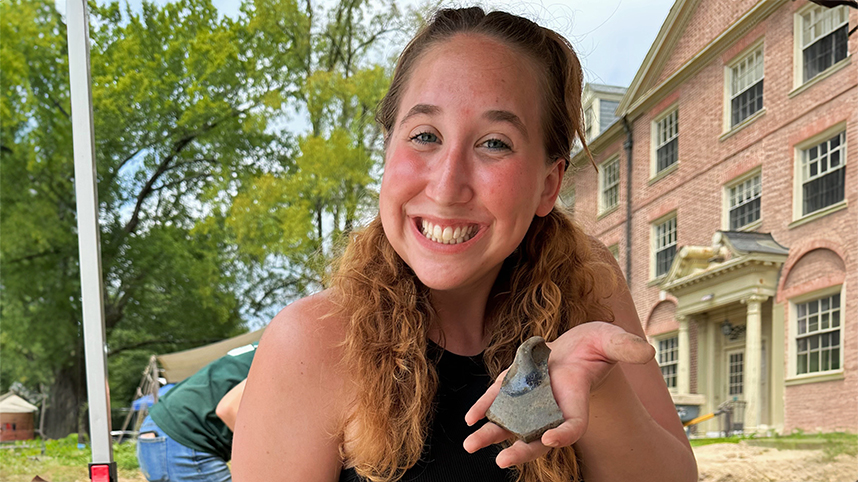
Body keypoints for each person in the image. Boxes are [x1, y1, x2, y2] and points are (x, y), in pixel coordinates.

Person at [232, 7, 698, 482]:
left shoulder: (589, 285)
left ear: (548, 184)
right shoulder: (311, 340)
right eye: (425, 136)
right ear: (388, 149)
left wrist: (600, 391)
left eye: (495, 143)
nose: (447, 185)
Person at [137, 343, 256, 482]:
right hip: (185, 438)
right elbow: (229, 409)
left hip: (166, 429)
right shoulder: (284, 356)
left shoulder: (269, 346)